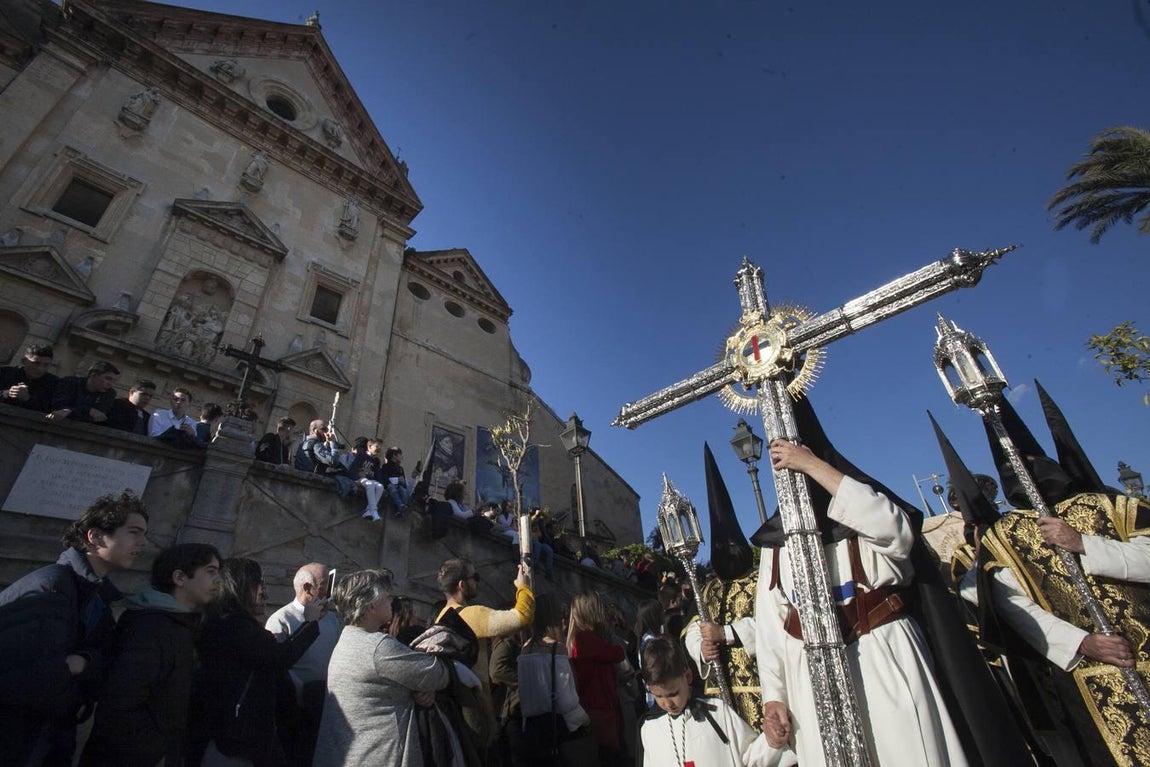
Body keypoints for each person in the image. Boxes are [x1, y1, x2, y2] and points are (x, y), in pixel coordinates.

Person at [753, 427, 968, 766]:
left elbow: (895, 531)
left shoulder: (866, 519)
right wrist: (774, 698)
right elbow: (770, 628)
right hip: (809, 675)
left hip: (881, 653)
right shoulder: (775, 546)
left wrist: (812, 465)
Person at [972, 387, 1150, 767]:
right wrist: (1081, 642)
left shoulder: (1116, 505)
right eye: (1014, 465)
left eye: (1032, 459)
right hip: (1089, 673)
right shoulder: (1003, 536)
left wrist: (1083, 543)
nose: (1025, 468)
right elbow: (1008, 603)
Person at [0, 490, 149, 766]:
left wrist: (84, 663)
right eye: (134, 532)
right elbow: (31, 678)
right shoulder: (52, 586)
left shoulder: (97, 596)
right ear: (94, 537)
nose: (142, 543)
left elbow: (97, 668)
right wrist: (75, 668)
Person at [79, 543, 221, 767]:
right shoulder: (151, 627)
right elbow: (121, 705)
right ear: (180, 578)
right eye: (211, 572)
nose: (217, 580)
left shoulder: (181, 624)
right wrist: (156, 754)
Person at [188, 557, 326, 767]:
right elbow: (280, 657)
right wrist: (310, 623)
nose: (263, 593)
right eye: (257, 584)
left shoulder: (229, 623)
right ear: (240, 587)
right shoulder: (236, 627)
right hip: (237, 735)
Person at [312, 569, 451, 767]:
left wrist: (414, 690)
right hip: (376, 757)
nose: (392, 602)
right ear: (370, 606)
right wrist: (418, 688)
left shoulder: (347, 638)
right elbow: (438, 674)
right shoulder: (378, 647)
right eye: (387, 597)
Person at [683, 443, 761, 730]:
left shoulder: (760, 580)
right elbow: (692, 627)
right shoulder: (708, 589)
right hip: (719, 694)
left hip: (764, 687)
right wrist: (701, 647)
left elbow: (777, 623)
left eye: (730, 545)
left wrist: (725, 633)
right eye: (719, 547)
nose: (725, 551)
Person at [639, 636, 793, 767]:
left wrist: (772, 741)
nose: (667, 703)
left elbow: (749, 756)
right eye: (658, 696)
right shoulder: (651, 729)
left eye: (673, 694)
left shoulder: (718, 712)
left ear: (688, 677)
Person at [263, 563, 342, 767]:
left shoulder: (333, 620)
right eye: (325, 585)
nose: (330, 591)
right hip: (296, 712)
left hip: (327, 707)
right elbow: (278, 665)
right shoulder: (280, 619)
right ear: (308, 588)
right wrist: (302, 694)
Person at [519, 594, 593, 766]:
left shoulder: (525, 650)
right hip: (557, 730)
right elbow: (567, 700)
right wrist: (586, 720)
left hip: (531, 730)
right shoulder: (555, 649)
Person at [567, 591, 626, 766]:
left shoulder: (579, 638)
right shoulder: (585, 638)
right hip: (600, 709)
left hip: (596, 708)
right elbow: (617, 653)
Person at [294, 419, 356, 499]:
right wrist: (333, 444)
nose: (327, 432)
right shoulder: (315, 444)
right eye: (324, 429)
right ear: (314, 430)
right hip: (313, 481)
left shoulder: (304, 442)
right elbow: (333, 461)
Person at [47, 360, 119, 423]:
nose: (111, 384)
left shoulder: (109, 393)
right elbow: (58, 407)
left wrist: (70, 410)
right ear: (93, 375)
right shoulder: (70, 382)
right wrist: (88, 410)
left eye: (114, 381)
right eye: (108, 378)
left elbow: (98, 417)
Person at [0, 343, 58, 413]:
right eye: (35, 363)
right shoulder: (4, 373)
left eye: (46, 365)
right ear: (24, 361)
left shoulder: (54, 383)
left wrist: (28, 399)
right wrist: (6, 393)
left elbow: (51, 409)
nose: (40, 369)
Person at [347, 438, 387, 520]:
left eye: (380, 446)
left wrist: (381, 483)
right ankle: (374, 511)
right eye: (377, 446)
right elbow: (354, 468)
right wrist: (355, 478)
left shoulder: (376, 461)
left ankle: (368, 510)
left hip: (368, 479)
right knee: (370, 484)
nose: (379, 448)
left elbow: (377, 475)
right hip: (359, 479)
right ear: (369, 446)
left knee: (380, 487)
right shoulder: (362, 455)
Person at [380, 446, 411, 515]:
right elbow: (386, 480)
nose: (402, 457)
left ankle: (401, 510)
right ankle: (400, 505)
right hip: (390, 487)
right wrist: (397, 480)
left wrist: (402, 482)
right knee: (393, 489)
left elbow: (404, 483)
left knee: (404, 491)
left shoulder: (400, 468)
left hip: (400, 487)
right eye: (400, 454)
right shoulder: (386, 466)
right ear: (394, 455)